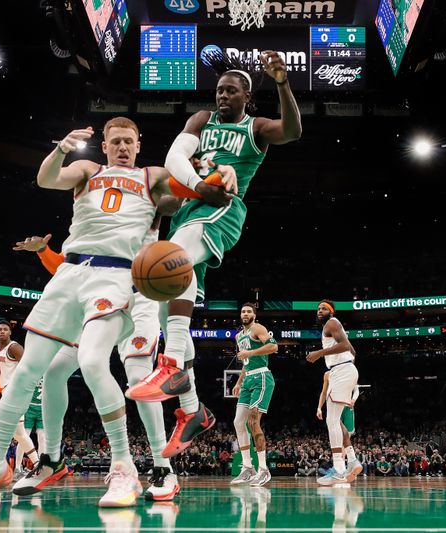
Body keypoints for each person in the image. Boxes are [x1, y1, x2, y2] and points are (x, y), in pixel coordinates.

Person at [0, 116, 223, 506]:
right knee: (37, 371)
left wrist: (215, 172)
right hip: (72, 274)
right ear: (106, 145)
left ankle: (144, 468)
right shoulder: (87, 170)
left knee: (123, 372)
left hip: (125, 282)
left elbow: (196, 191)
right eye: (116, 141)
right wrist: (61, 147)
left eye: (129, 141)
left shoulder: (154, 178)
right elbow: (47, 179)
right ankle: (6, 463)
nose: (123, 147)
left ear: (139, 144)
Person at [126, 48, 303, 461]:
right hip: (192, 205)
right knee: (172, 297)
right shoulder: (201, 120)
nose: (222, 96)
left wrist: (282, 82)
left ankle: (168, 365)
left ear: (246, 97)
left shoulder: (255, 127)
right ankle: (193, 412)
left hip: (223, 207)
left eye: (231, 91)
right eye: (219, 90)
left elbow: (292, 132)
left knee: (169, 261)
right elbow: (173, 158)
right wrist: (195, 186)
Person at [10, 227, 184, 501]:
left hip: (138, 300)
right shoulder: (93, 211)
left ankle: (163, 468)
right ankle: (52, 459)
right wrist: (45, 252)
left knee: (140, 381)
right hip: (97, 299)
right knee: (54, 371)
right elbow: (68, 271)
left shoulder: (149, 199)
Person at [306, 301, 358, 485]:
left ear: (331, 311)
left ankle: (339, 469)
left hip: (341, 371)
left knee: (332, 421)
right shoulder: (333, 326)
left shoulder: (332, 323)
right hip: (345, 370)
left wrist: (319, 353)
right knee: (335, 420)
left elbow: (345, 346)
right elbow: (352, 351)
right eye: (318, 308)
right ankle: (351, 461)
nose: (320, 311)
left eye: (324, 309)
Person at [229, 303, 278, 487]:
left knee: (252, 422)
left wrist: (251, 351)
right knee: (238, 422)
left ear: (254, 315)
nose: (246, 313)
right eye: (243, 311)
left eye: (249, 311)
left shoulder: (257, 328)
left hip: (262, 377)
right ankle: (248, 468)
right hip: (248, 379)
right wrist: (239, 382)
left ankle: (263, 470)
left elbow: (273, 347)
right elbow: (245, 361)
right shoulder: (238, 336)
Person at [0, 320, 39, 479]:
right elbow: (0, 377)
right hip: (6, 393)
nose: (2, 331)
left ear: (10, 333)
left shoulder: (14, 347)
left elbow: (30, 367)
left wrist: (22, 388)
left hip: (15, 393)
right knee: (20, 434)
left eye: (5, 329)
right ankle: (38, 465)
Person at [316, 371, 362, 482]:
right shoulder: (329, 373)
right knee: (339, 433)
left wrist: (353, 400)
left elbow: (356, 390)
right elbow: (323, 392)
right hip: (334, 402)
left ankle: (340, 469)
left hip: (344, 405)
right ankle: (349, 463)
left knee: (343, 434)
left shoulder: (347, 371)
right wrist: (319, 407)